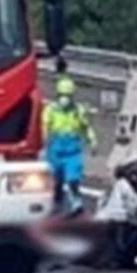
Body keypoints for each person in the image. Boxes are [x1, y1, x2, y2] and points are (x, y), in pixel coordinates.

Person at [42, 75, 97, 213]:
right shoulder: (51, 110)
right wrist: (43, 144)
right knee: (56, 180)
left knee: (73, 178)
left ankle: (76, 203)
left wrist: (92, 140)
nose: (64, 98)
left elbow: (86, 127)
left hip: (72, 151)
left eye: (67, 95)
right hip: (55, 150)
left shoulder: (78, 111)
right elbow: (44, 127)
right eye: (62, 95)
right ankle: (57, 201)